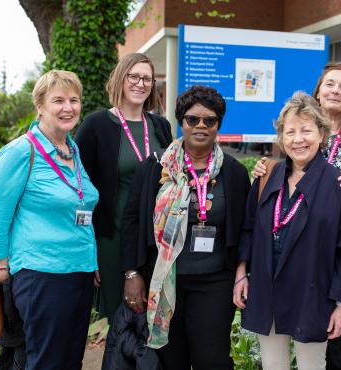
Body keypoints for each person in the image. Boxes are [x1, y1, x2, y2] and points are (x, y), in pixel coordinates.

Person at [253, 64, 341, 369]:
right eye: (330, 84)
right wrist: (264, 170)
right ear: (319, 90)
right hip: (296, 246)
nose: (335, 91)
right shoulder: (298, 132)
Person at [121, 85, 251, 369]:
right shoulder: (155, 169)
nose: (201, 125)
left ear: (219, 124)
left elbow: (246, 227)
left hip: (215, 282)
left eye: (210, 120)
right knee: (170, 360)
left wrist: (242, 272)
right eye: (193, 119)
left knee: (212, 359)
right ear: (181, 122)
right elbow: (131, 223)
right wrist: (132, 272)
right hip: (166, 280)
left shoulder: (234, 171)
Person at [234, 91, 341, 370]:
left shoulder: (338, 185)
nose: (297, 139)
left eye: (306, 130)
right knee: (273, 365)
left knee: (311, 366)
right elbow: (248, 228)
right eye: (290, 132)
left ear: (321, 134)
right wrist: (241, 274)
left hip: (312, 294)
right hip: (267, 288)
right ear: (281, 138)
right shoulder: (268, 175)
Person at [0, 70, 99, 370]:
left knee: (71, 359)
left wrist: (93, 259)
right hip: (41, 273)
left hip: (79, 271)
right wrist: (0, 265)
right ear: (40, 106)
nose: (68, 107)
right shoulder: (22, 151)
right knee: (45, 361)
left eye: (74, 100)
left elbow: (79, 205)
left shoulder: (72, 149)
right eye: (58, 100)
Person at [75, 53, 173, 320]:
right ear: (120, 78)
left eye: (147, 79)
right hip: (112, 237)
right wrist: (89, 251)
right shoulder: (96, 125)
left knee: (153, 317)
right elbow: (79, 189)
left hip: (154, 236)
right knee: (120, 319)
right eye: (134, 76)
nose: (140, 84)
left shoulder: (160, 126)